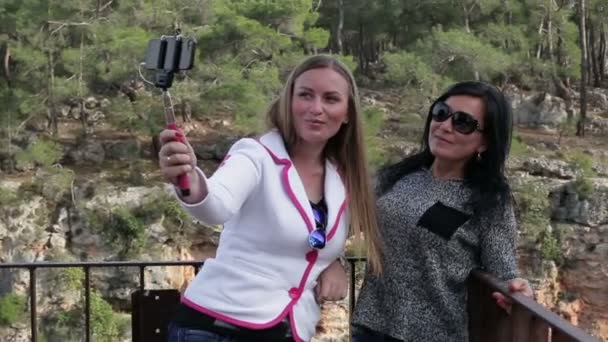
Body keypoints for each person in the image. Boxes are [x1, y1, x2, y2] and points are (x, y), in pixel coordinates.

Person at [157, 55, 384, 342]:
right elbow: (216, 205)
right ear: (289, 102)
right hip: (215, 328)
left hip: (288, 332)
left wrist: (334, 260)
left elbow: (314, 238)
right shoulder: (255, 155)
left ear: (348, 112)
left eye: (330, 99)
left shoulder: (344, 179)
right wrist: (188, 179)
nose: (316, 109)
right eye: (305, 95)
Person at [348, 81, 534, 342]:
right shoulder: (399, 176)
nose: (445, 126)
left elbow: (504, 269)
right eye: (441, 112)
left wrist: (519, 288)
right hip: (371, 327)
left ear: (484, 143)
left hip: (433, 335)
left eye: (463, 122)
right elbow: (348, 219)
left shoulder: (488, 201)